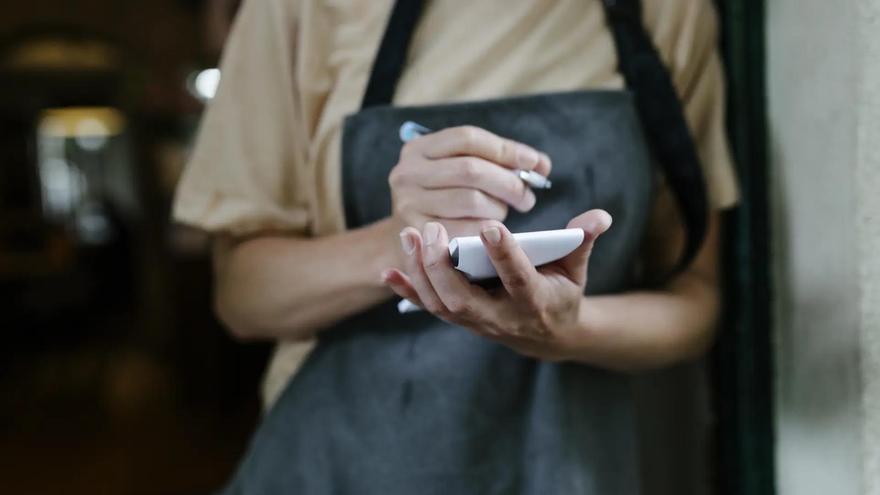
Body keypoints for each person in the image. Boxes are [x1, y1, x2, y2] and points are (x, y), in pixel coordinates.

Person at [173, 0, 739, 492]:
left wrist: (566, 327)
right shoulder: (299, 12)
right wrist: (400, 245)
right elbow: (241, 297)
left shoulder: (663, 13)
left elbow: (697, 299)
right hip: (343, 465)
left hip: (568, 465)